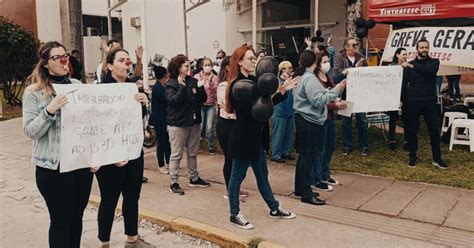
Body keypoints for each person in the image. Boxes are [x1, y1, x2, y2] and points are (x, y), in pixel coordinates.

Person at [22, 41, 93, 248]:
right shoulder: (34, 92)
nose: (64, 60)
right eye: (57, 57)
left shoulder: (78, 86)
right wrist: (49, 111)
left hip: (79, 165)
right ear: (45, 63)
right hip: (52, 168)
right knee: (61, 221)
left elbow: (92, 124)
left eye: (66, 56)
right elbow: (30, 131)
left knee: (77, 218)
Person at [226, 45, 296, 230]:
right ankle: (234, 214)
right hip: (243, 137)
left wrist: (282, 91)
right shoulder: (238, 85)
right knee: (237, 177)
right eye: (250, 58)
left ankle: (274, 208)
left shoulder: (254, 80)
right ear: (240, 61)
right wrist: (275, 93)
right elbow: (254, 110)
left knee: (262, 176)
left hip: (255, 136)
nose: (254, 61)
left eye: (254, 58)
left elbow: (265, 104)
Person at [94, 48, 154, 248]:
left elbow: (141, 122)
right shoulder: (100, 90)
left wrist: (144, 104)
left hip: (133, 152)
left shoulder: (132, 88)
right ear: (110, 65)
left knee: (132, 196)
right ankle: (104, 242)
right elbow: (95, 126)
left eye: (128, 60)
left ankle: (132, 239)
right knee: (109, 200)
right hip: (109, 155)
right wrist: (108, 156)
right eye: (121, 60)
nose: (127, 63)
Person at [293, 50, 346, 204]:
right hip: (309, 121)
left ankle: (300, 188)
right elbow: (317, 101)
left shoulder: (304, 77)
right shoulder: (310, 79)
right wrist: (337, 90)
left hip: (305, 119)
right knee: (308, 157)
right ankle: (306, 193)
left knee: (304, 157)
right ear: (315, 63)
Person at [166, 54, 211, 195]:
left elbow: (202, 99)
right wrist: (180, 87)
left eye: (189, 66)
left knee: (192, 152)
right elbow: (173, 101)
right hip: (178, 123)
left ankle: (194, 178)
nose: (189, 68)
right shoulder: (172, 83)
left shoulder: (193, 81)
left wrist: (201, 87)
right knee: (176, 154)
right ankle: (173, 181)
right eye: (186, 66)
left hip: (193, 121)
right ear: (178, 67)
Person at [401, 39, 448, 169]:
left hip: (429, 101)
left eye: (426, 47)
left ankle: (437, 158)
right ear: (417, 49)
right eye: (421, 47)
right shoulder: (409, 64)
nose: (424, 49)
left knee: (434, 130)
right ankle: (412, 156)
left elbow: (428, 72)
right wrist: (402, 100)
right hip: (412, 101)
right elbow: (404, 85)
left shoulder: (434, 62)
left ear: (429, 48)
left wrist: (411, 66)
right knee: (412, 130)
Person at [216, 56, 249, 200]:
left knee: (241, 158)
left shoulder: (240, 82)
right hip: (226, 124)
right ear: (228, 68)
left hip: (239, 124)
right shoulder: (224, 85)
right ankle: (230, 190)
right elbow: (228, 106)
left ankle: (235, 186)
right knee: (230, 158)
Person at [316, 52, 347, 190]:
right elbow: (318, 101)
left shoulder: (328, 77)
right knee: (320, 149)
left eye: (328, 60)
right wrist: (334, 105)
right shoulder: (315, 80)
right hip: (321, 118)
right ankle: (316, 177)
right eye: (324, 61)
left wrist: (339, 93)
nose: (327, 64)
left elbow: (332, 93)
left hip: (330, 117)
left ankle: (325, 174)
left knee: (330, 146)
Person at [333, 37, 369, 156]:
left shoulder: (361, 58)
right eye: (353, 45)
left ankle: (364, 145)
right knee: (346, 121)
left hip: (359, 93)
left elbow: (367, 73)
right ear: (346, 47)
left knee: (362, 120)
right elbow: (337, 73)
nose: (355, 47)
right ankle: (347, 146)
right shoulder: (339, 57)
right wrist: (354, 69)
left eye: (356, 45)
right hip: (346, 93)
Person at [270, 61, 295, 163]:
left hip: (290, 110)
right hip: (279, 111)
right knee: (278, 134)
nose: (288, 70)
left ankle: (285, 152)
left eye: (290, 68)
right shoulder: (276, 81)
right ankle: (276, 154)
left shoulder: (292, 80)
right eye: (285, 68)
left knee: (288, 133)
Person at [194, 57, 219, 154]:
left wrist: (211, 82)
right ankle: (196, 146)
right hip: (200, 105)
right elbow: (194, 89)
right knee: (200, 126)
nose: (207, 67)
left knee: (209, 127)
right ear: (202, 66)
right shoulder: (197, 77)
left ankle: (211, 147)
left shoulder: (215, 77)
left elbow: (216, 90)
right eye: (205, 65)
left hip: (210, 105)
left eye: (209, 65)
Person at [150, 65, 171, 174]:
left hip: (165, 118)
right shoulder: (158, 88)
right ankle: (161, 164)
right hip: (159, 119)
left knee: (167, 142)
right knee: (161, 142)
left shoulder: (163, 86)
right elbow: (167, 101)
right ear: (164, 75)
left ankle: (168, 162)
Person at [387, 47, 408, 150]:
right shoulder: (391, 67)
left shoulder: (408, 67)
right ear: (397, 55)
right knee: (393, 118)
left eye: (406, 55)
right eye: (404, 54)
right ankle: (392, 140)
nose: (406, 56)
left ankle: (407, 140)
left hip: (405, 95)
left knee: (406, 118)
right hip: (393, 95)